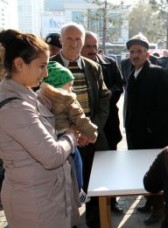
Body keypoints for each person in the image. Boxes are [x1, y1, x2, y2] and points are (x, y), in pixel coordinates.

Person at [0, 29, 77, 228]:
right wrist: (71, 135)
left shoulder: (25, 94)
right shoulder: (14, 107)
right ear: (19, 64)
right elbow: (51, 156)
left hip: (43, 195)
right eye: (41, 66)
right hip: (34, 204)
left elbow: (45, 131)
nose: (46, 73)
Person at [50, 22, 111, 228]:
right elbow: (48, 105)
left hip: (92, 137)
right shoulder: (48, 67)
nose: (74, 43)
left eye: (78, 39)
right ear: (61, 40)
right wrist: (73, 133)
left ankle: (95, 222)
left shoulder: (94, 67)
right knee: (66, 186)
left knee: (95, 185)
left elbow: (104, 100)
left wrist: (91, 130)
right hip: (62, 139)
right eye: (69, 38)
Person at [123, 33, 168, 224]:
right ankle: (149, 201)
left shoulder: (157, 72)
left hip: (152, 136)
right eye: (132, 51)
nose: (135, 55)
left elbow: (165, 106)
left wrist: (151, 128)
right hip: (134, 135)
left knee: (155, 171)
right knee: (139, 170)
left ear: (147, 53)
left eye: (139, 51)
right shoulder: (131, 71)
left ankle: (159, 208)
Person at [39, 61, 98, 205]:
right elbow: (80, 119)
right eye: (70, 85)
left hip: (51, 138)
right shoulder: (67, 99)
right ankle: (79, 191)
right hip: (67, 137)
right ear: (59, 84)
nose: (71, 88)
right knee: (77, 163)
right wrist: (92, 133)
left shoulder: (39, 97)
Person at [81, 31, 125, 214]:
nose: (92, 50)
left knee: (109, 166)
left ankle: (111, 202)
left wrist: (105, 98)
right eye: (88, 46)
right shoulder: (75, 67)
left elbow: (118, 86)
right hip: (82, 129)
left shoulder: (110, 64)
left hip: (108, 126)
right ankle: (90, 203)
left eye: (94, 46)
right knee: (87, 168)